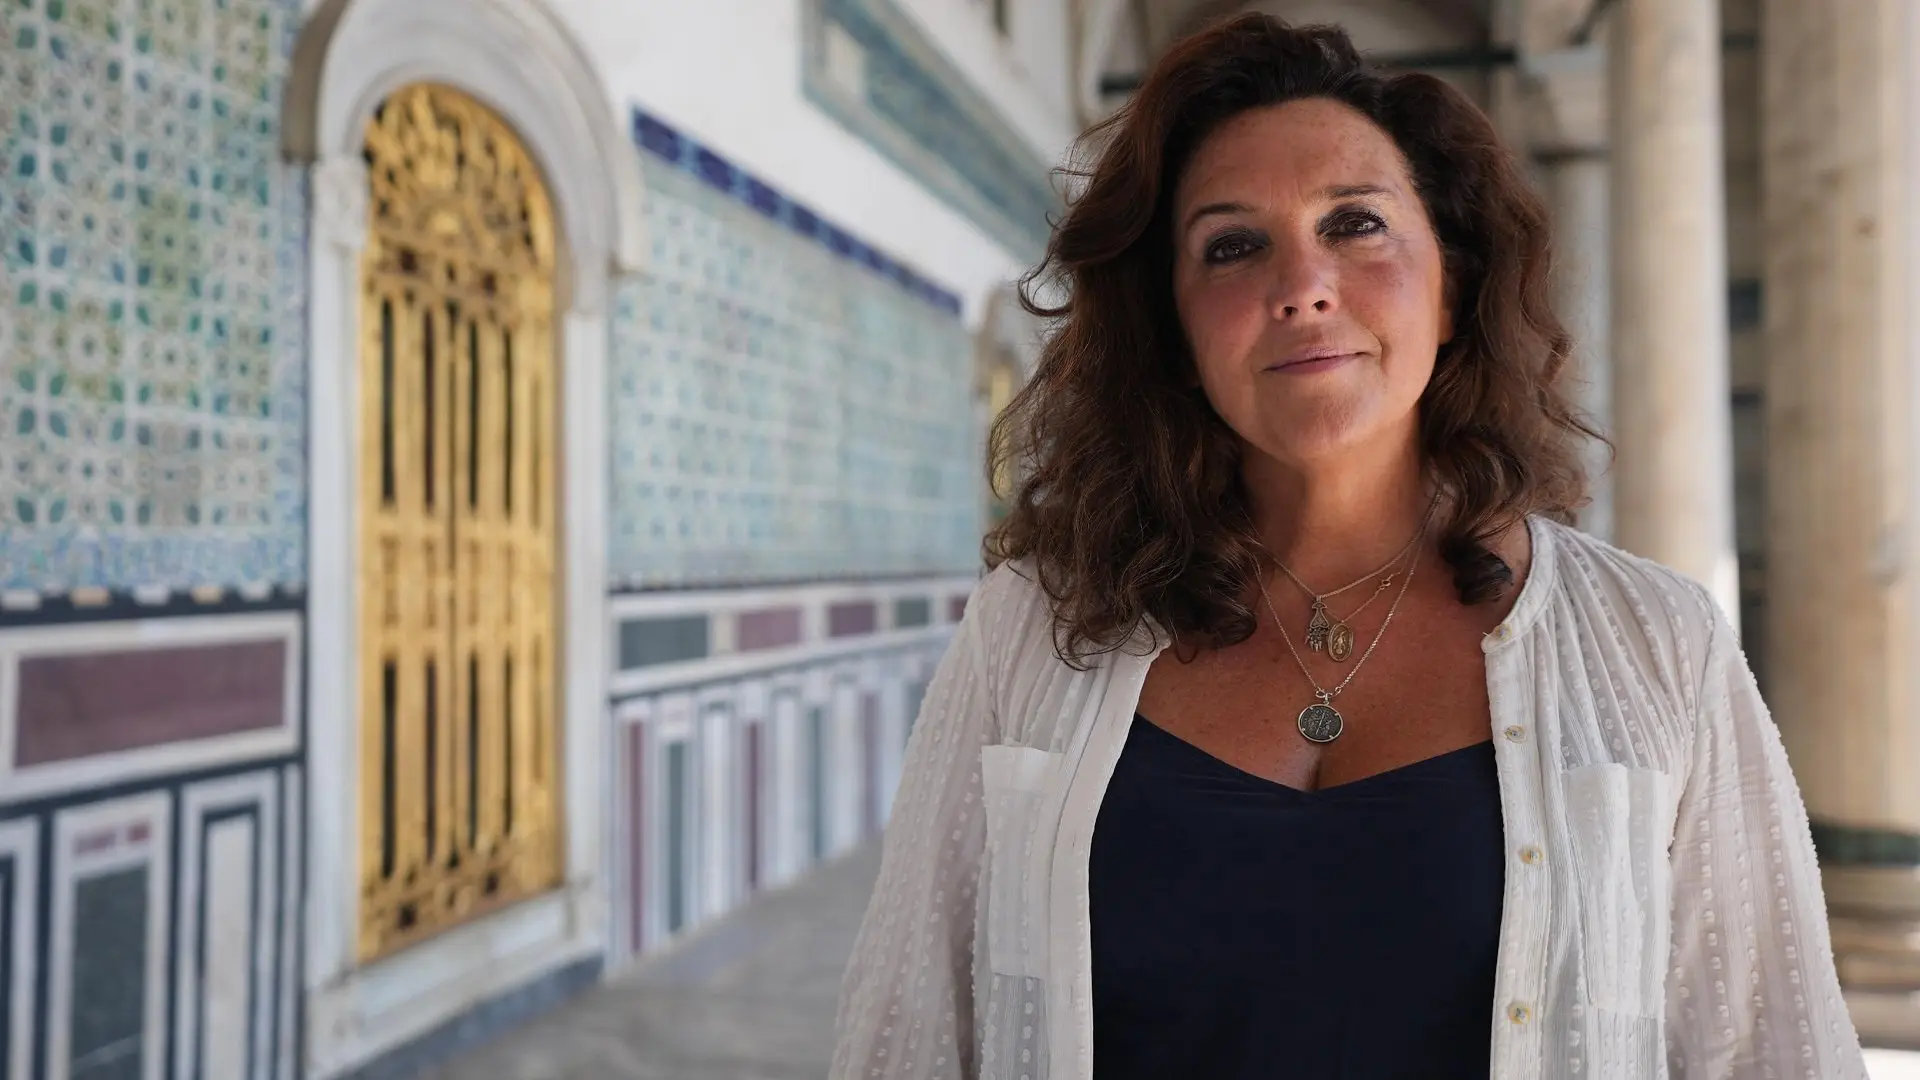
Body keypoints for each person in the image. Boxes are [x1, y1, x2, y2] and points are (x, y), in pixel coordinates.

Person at [829, 14, 1866, 1080]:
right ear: (1175, 331)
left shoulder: (1655, 642)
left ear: (1454, 286)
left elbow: (1767, 1047)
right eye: (1233, 245)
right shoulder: (1037, 624)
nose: (1303, 286)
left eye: (1357, 224)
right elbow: (908, 1033)